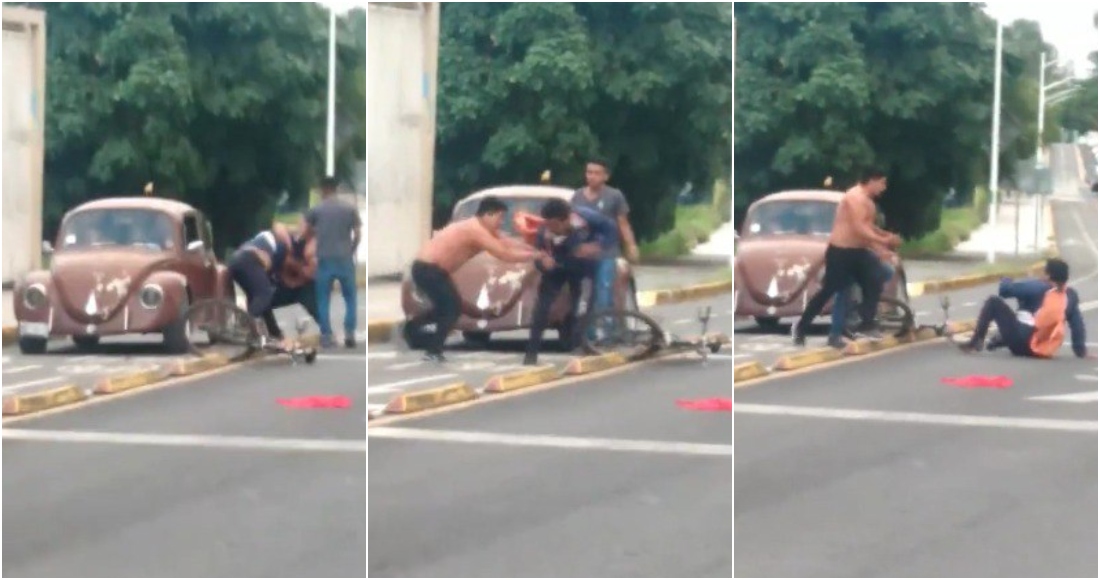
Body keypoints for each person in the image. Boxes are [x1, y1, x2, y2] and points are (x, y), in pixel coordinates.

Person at [408, 196, 545, 362]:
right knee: (451, 309)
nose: (501, 222)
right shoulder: (475, 230)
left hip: (434, 270)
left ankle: (414, 327)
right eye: (500, 217)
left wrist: (535, 251)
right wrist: (535, 256)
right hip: (427, 268)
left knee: (452, 307)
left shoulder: (482, 228)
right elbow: (504, 253)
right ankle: (432, 350)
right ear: (488, 214)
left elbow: (508, 242)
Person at [792, 169, 902, 346]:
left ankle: (866, 322)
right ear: (872, 180)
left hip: (859, 252)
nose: (884, 187)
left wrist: (883, 244)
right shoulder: (854, 198)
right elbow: (859, 228)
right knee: (830, 291)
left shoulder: (868, 202)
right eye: (882, 182)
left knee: (878, 276)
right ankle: (802, 328)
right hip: (841, 252)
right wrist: (884, 240)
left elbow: (869, 229)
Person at [523, 198, 618, 366]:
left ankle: (582, 343)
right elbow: (537, 255)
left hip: (583, 267)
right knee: (541, 308)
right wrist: (543, 262)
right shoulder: (544, 232)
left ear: (566, 219)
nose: (551, 229)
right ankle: (531, 353)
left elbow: (611, 229)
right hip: (557, 268)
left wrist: (598, 245)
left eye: (555, 225)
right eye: (548, 225)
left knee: (581, 305)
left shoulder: (586, 218)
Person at [959, 258, 1088, 358]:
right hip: (1042, 348)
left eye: (1044, 271)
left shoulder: (1038, 286)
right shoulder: (1070, 295)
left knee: (993, 302)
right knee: (1021, 322)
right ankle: (998, 340)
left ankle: (976, 341)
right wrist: (1080, 351)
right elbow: (1077, 325)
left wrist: (1006, 279)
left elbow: (1004, 290)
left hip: (1020, 342)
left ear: (1048, 275)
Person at [571, 158, 639, 317]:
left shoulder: (614, 196)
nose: (592, 176)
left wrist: (631, 246)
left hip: (607, 253)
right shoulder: (577, 196)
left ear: (605, 176)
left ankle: (606, 331)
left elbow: (623, 224)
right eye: (589, 172)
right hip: (584, 255)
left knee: (604, 290)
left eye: (596, 173)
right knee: (585, 295)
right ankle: (587, 334)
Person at [304, 177, 362, 348]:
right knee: (350, 298)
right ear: (336, 189)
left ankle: (326, 335)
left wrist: (317, 239)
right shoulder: (349, 209)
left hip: (324, 259)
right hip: (345, 258)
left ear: (323, 189)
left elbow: (307, 232)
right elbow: (358, 234)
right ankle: (349, 333)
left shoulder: (316, 210)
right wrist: (351, 249)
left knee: (323, 299)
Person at [227, 222, 298, 351]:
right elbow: (279, 227)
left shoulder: (263, 238)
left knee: (260, 298)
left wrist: (278, 334)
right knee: (265, 294)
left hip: (236, 261)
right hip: (248, 260)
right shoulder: (280, 244)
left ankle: (273, 333)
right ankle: (246, 324)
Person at [271, 215, 320, 327]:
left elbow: (310, 274)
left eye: (304, 225)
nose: (300, 227)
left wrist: (292, 263)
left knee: (315, 310)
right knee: (267, 304)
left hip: (303, 286)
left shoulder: (313, 246)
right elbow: (276, 226)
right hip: (285, 284)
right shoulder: (290, 238)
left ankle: (326, 333)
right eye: (300, 224)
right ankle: (273, 333)